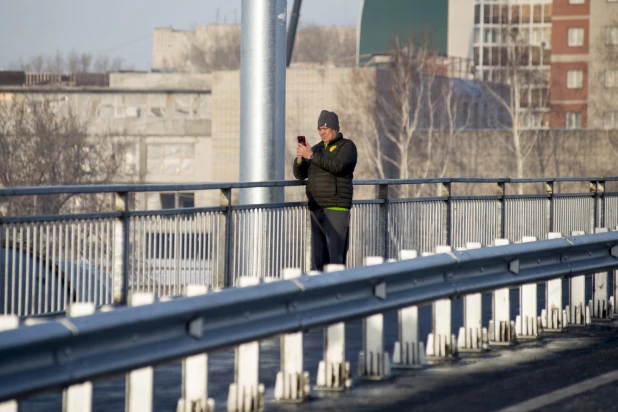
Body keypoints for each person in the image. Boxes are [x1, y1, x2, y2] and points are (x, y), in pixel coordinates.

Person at [293, 110, 358, 271]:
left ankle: (339, 293)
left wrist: (312, 156)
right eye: (319, 128)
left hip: (336, 208)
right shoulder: (316, 149)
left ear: (335, 128)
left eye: (325, 128)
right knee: (319, 261)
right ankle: (322, 293)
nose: (322, 132)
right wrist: (301, 158)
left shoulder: (347, 146)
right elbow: (300, 175)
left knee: (335, 260)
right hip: (317, 209)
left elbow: (338, 166)